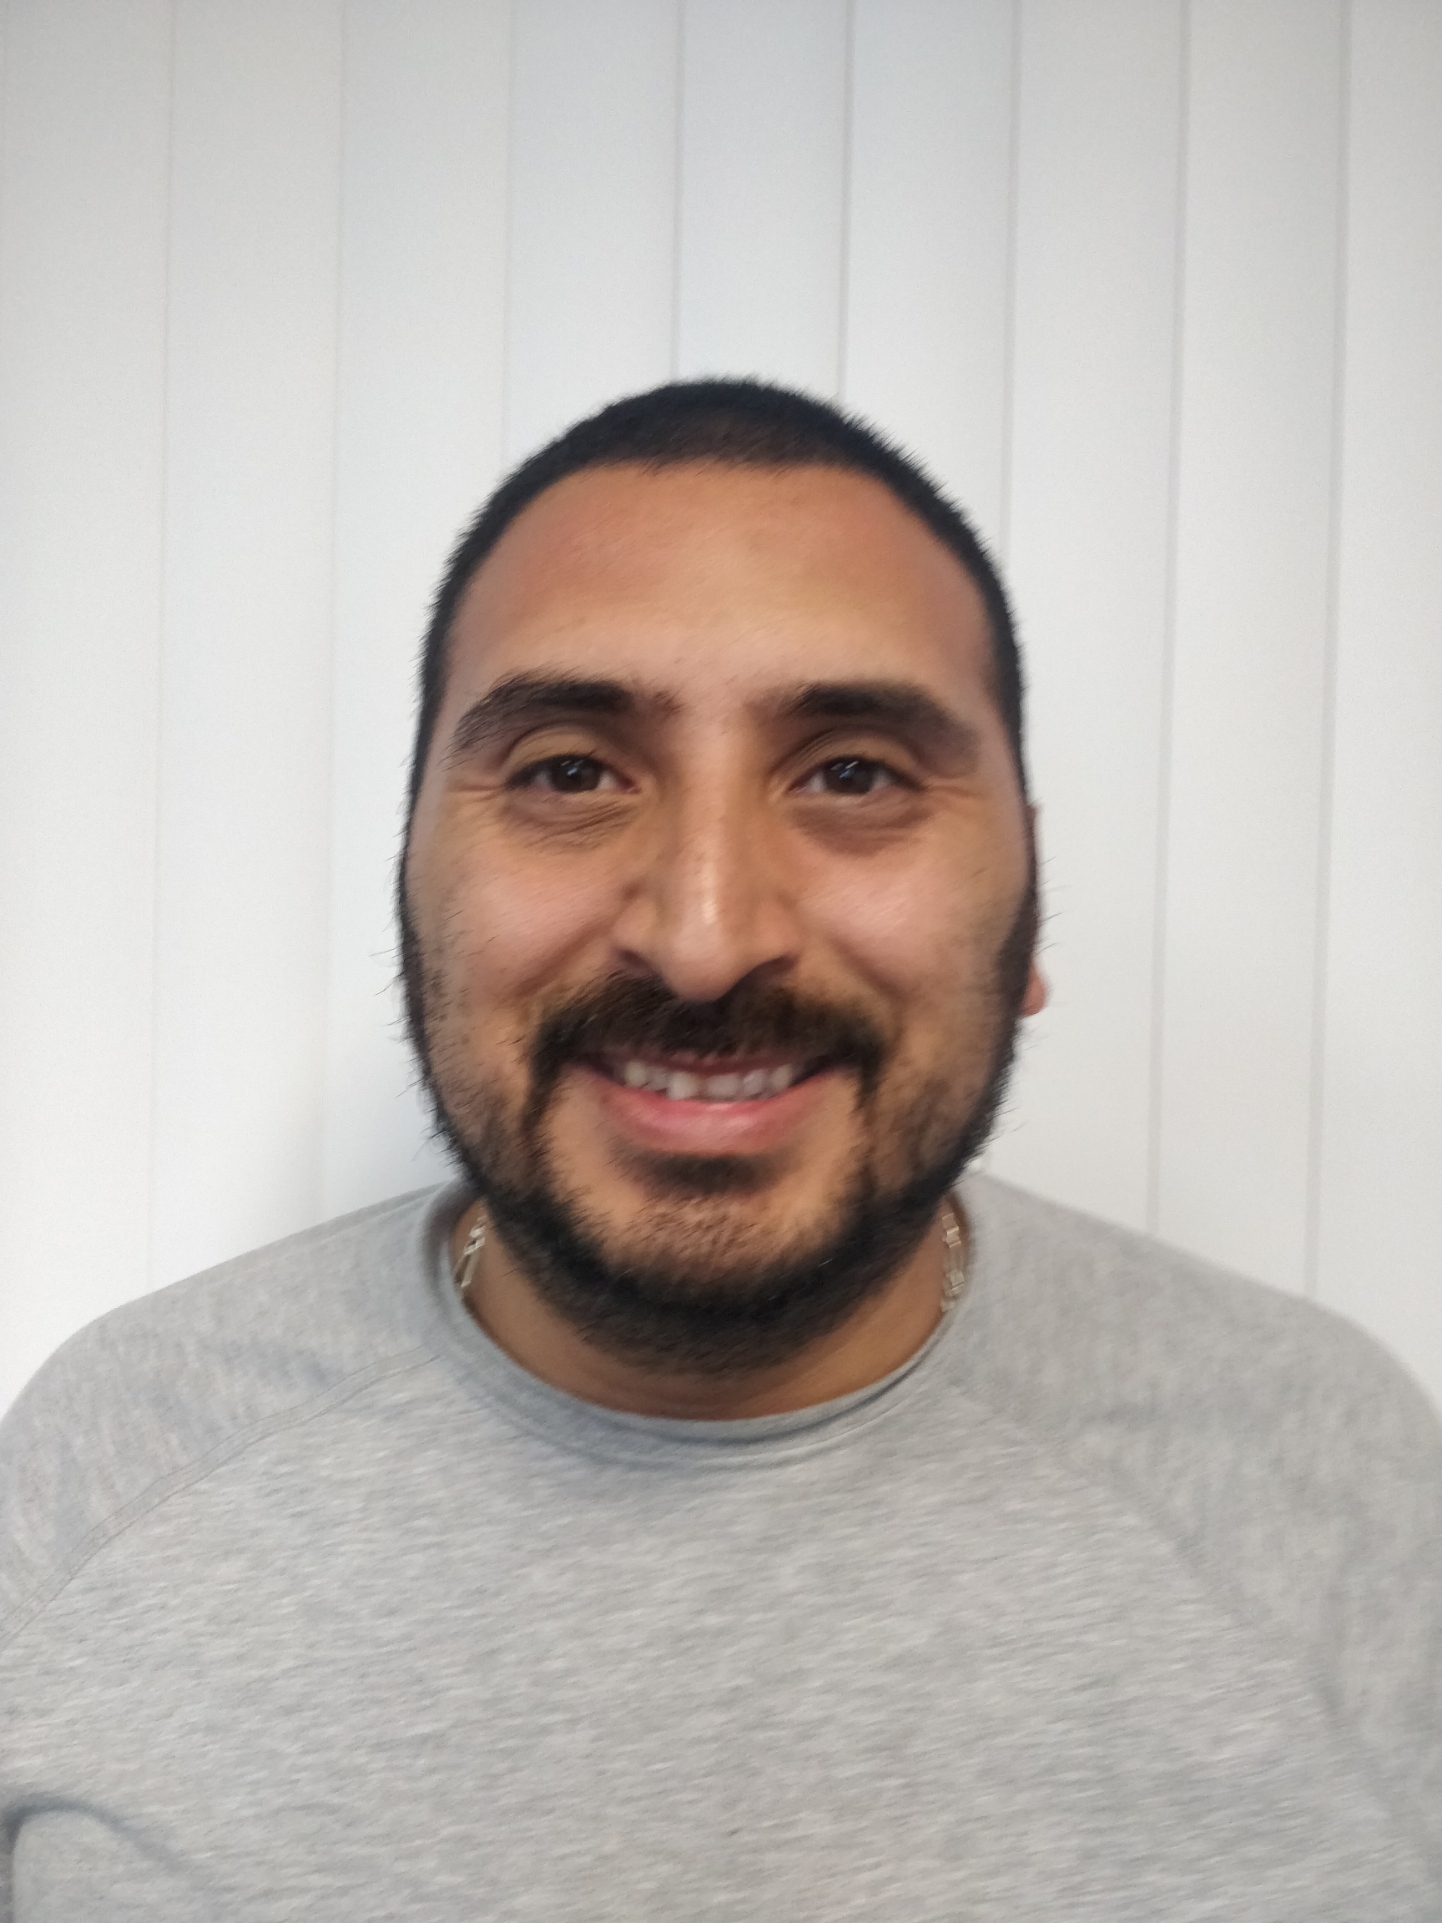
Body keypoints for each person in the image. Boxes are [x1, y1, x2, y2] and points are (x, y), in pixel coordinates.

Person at [2, 379, 1439, 1921]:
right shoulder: (114, 1462)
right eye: (568, 770)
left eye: (853, 773)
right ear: (411, 889)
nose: (702, 939)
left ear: (1026, 905)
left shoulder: (1328, 1481)